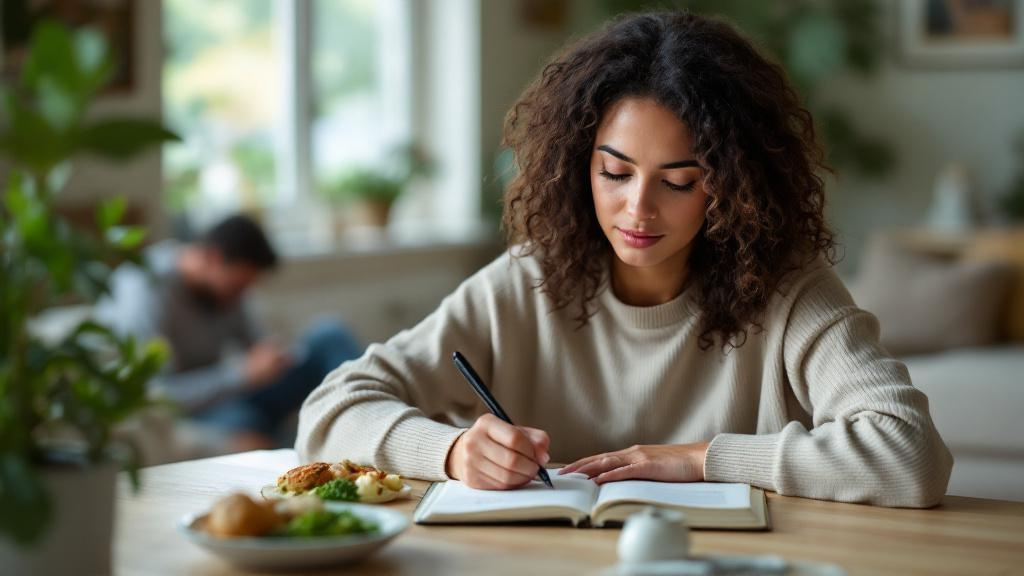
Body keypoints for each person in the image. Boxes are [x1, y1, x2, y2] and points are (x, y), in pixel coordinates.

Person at [296, 11, 952, 507]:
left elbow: (911, 453)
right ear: (578, 165)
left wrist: (699, 460)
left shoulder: (791, 292)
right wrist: (452, 450)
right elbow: (329, 411)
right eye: (615, 172)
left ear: (734, 185)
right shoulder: (527, 282)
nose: (638, 209)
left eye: (677, 182)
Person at [97, 214, 363, 450]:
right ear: (212, 257)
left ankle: (372, 425)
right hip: (191, 407)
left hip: (233, 390)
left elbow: (255, 346)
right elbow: (161, 395)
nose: (241, 297)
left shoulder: (227, 292)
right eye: (237, 286)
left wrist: (276, 358)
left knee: (329, 334)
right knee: (245, 423)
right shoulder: (147, 289)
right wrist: (239, 374)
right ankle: (312, 469)